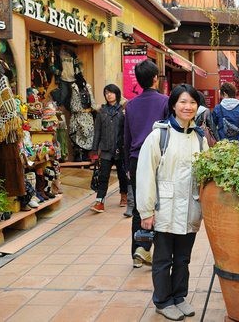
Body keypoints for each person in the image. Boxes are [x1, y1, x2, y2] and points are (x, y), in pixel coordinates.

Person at [137, 84, 208, 321]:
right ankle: (163, 301)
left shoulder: (199, 138)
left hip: (190, 209)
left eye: (192, 103)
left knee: (183, 259)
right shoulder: (159, 136)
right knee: (162, 259)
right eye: (183, 102)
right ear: (173, 105)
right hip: (164, 209)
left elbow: (205, 174)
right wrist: (146, 211)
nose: (188, 107)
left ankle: (179, 297)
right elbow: (145, 175)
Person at [124, 59, 168, 268]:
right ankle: (151, 250)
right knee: (159, 204)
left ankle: (137, 252)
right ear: (154, 79)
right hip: (158, 158)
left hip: (135, 158)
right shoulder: (165, 102)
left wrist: (126, 166)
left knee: (139, 207)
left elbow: (126, 137)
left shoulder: (130, 105)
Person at [90, 84, 129, 213]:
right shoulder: (101, 112)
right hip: (106, 150)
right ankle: (99, 201)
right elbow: (97, 132)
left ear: (117, 94)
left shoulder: (123, 111)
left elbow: (127, 130)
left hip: (120, 149)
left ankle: (124, 196)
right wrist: (94, 150)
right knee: (103, 176)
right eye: (106, 93)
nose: (109, 95)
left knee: (122, 175)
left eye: (111, 92)